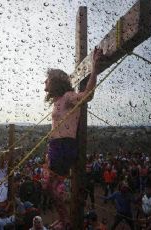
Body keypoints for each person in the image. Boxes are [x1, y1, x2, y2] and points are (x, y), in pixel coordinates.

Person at [43, 47, 104, 229]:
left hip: (63, 146)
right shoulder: (58, 100)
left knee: (49, 187)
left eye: (47, 79)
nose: (44, 82)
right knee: (49, 187)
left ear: (55, 82)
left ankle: (65, 220)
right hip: (56, 146)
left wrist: (94, 69)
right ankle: (65, 219)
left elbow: (88, 95)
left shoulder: (68, 96)